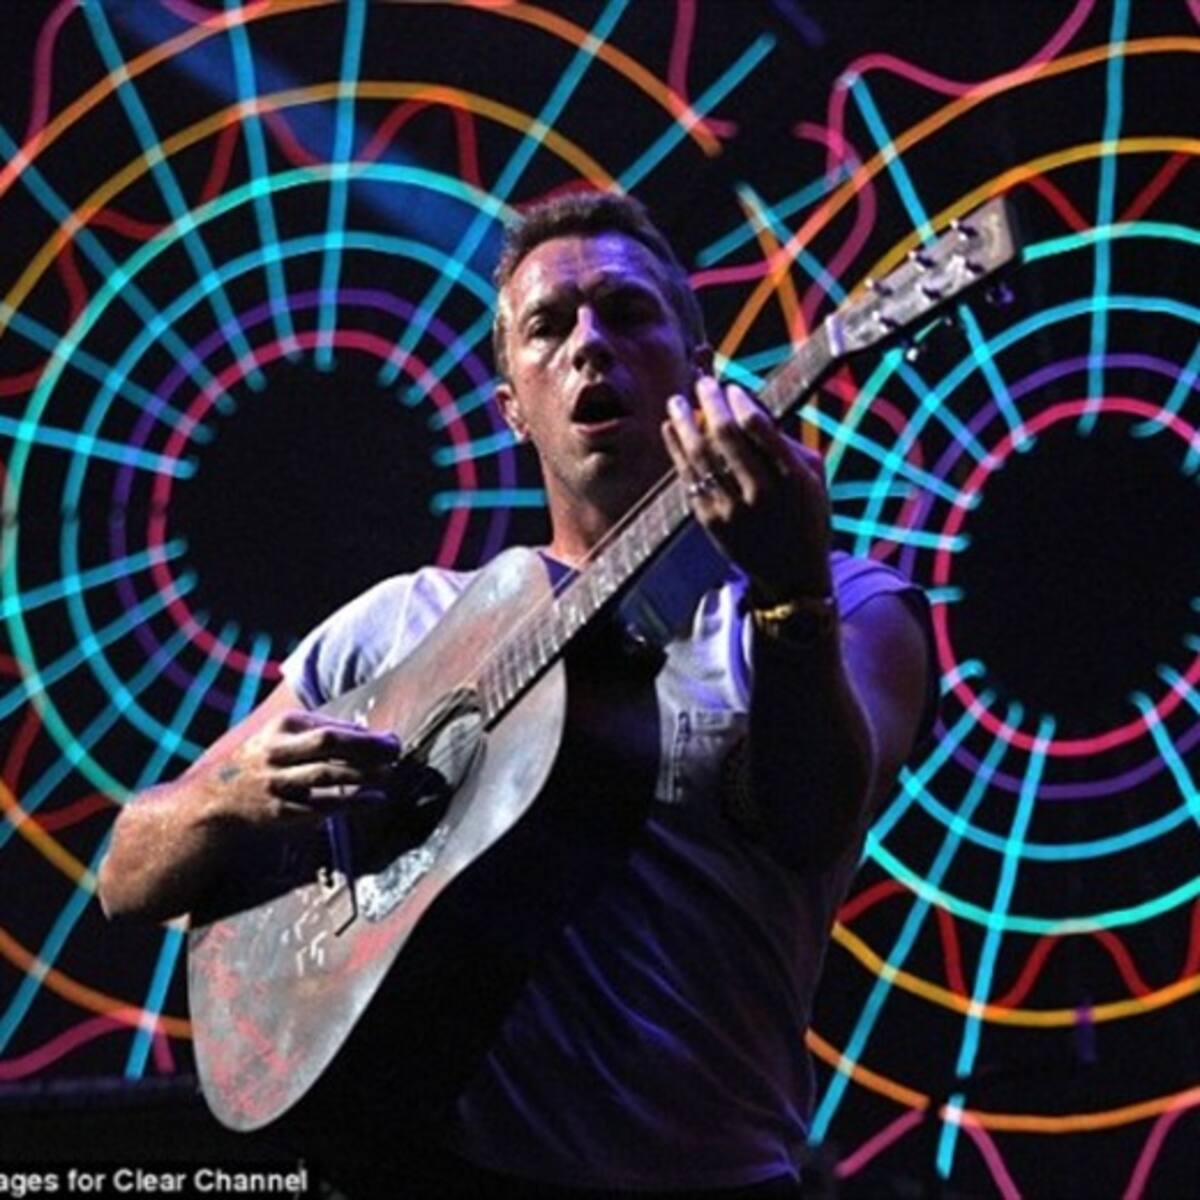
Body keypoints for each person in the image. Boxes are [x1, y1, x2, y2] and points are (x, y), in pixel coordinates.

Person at [98, 192, 934, 1197]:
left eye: (627, 313)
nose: (590, 345)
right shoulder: (402, 626)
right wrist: (232, 796)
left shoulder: (850, 602)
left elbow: (814, 823)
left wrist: (791, 590)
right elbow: (125, 874)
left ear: (699, 366)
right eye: (549, 326)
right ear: (510, 406)